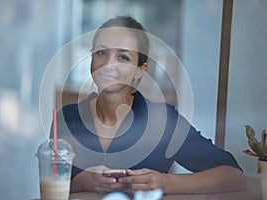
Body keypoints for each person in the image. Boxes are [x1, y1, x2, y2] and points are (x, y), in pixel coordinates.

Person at [54, 15, 246, 195]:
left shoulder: (161, 121)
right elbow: (49, 187)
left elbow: (233, 176)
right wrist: (80, 182)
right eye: (101, 52)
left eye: (123, 57)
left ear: (140, 70)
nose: (109, 63)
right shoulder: (67, 119)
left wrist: (165, 183)